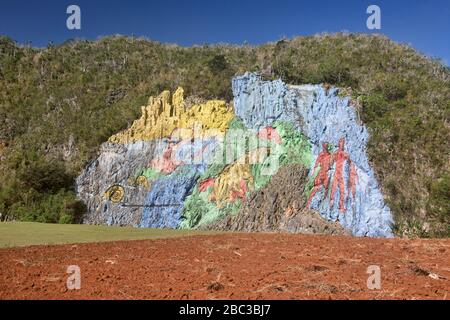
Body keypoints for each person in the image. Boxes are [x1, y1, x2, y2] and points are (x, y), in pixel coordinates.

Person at [307, 143, 332, 208]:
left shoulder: (330, 156)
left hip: (326, 173)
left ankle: (321, 205)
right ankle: (309, 204)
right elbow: (316, 165)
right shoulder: (321, 155)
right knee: (316, 188)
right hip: (322, 173)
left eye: (325, 145)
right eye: (324, 145)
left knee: (325, 189)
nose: (324, 147)